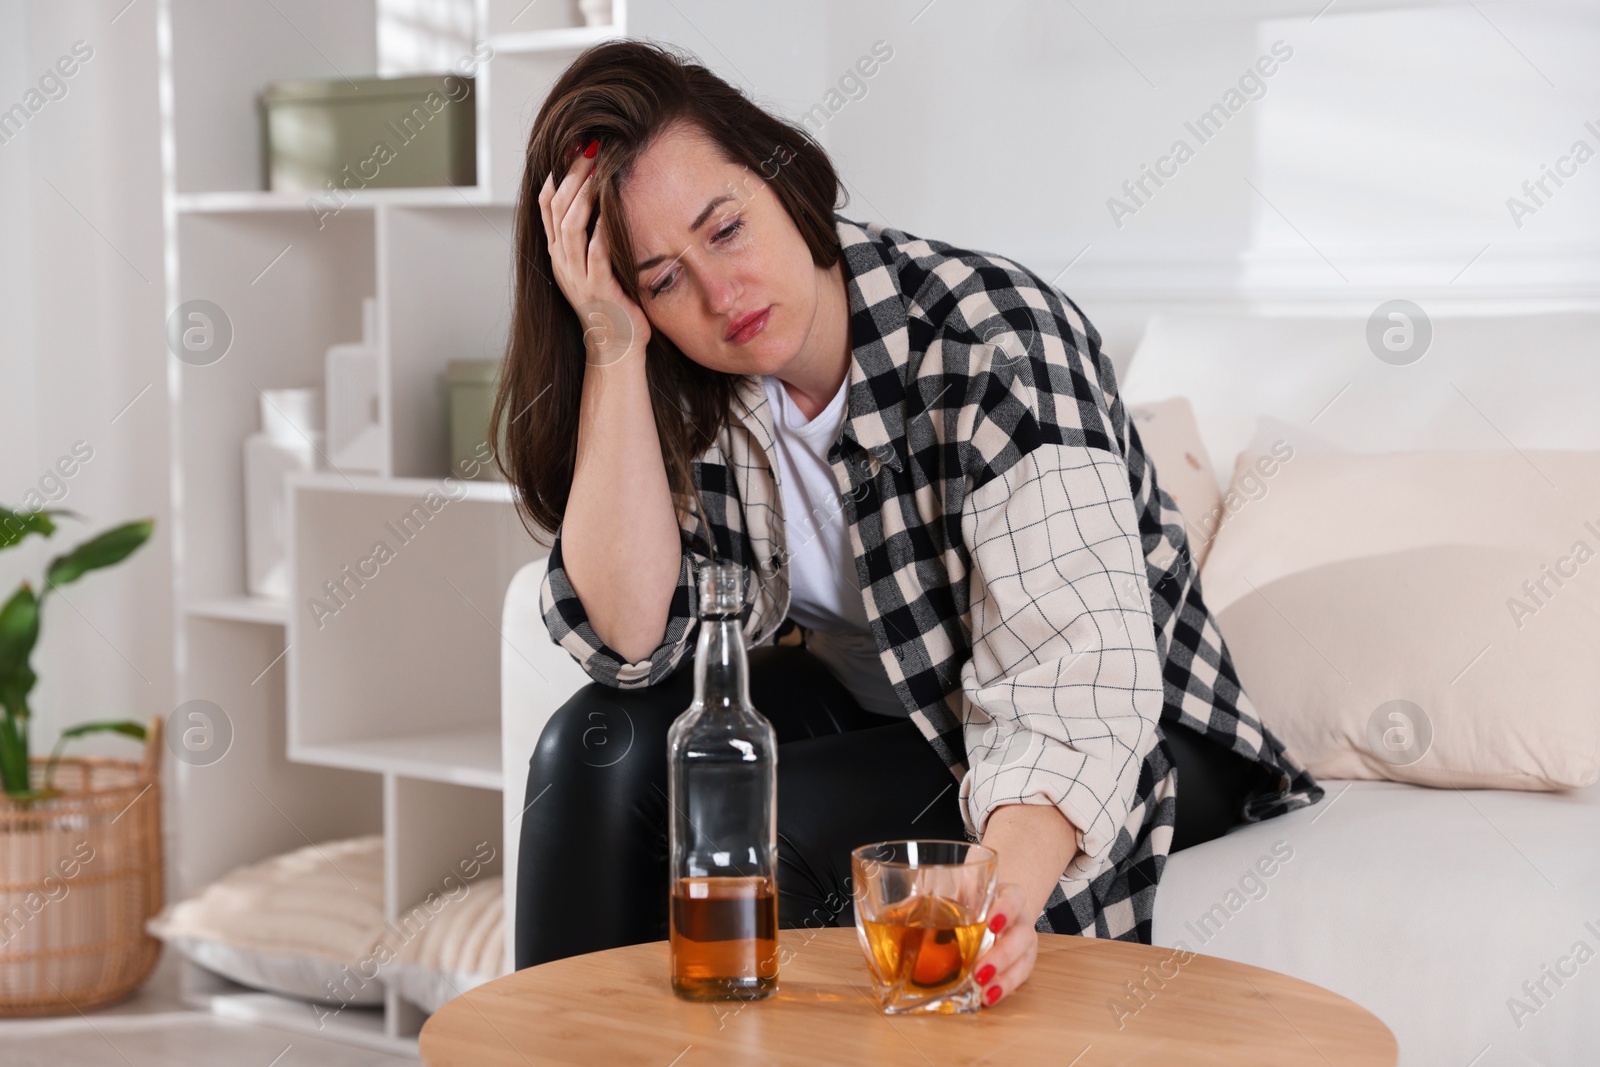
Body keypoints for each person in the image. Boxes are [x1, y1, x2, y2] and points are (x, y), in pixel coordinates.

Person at [492, 39, 1324, 1006]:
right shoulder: (689, 387)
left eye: (725, 229)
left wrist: (998, 900)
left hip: (1135, 728)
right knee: (592, 745)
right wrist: (611, 342)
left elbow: (1079, 688)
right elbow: (631, 638)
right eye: (662, 279)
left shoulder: (994, 344)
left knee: (770, 829)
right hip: (903, 703)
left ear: (784, 177)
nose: (722, 296)